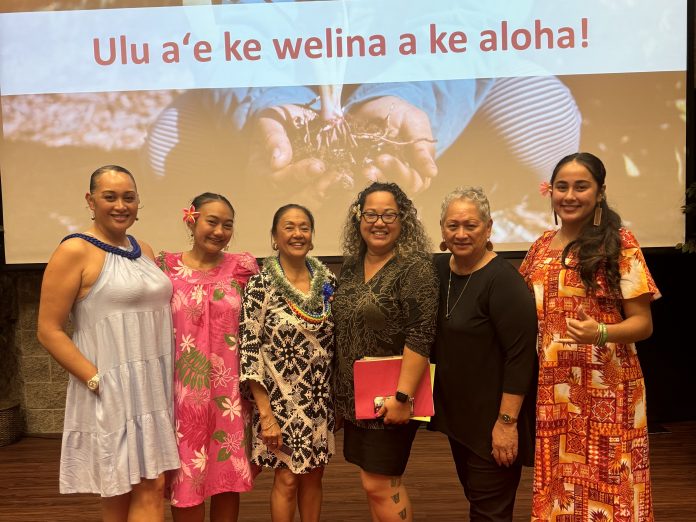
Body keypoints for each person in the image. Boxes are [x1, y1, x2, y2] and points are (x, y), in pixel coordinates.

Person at [520, 152, 659, 521]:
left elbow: (643, 324)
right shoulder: (539, 247)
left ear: (599, 193)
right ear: (550, 192)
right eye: (561, 187)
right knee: (561, 489)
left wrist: (599, 332)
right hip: (556, 392)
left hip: (610, 393)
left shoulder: (620, 244)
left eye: (581, 186)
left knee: (610, 490)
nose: (570, 195)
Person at [36, 165, 180, 521]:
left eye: (128, 197)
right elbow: (48, 329)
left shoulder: (141, 248)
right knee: (124, 487)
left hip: (152, 387)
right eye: (110, 197)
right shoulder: (74, 251)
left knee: (144, 485)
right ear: (90, 201)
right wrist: (96, 379)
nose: (120, 205)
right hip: (110, 386)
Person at [428, 186, 538, 521]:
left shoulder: (504, 282)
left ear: (488, 228)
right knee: (478, 499)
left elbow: (521, 360)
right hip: (460, 419)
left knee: (490, 512)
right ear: (442, 230)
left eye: (470, 225)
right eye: (452, 225)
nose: (461, 234)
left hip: (494, 421)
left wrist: (507, 424)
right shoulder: (439, 270)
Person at [332, 181, 438, 522]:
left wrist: (403, 397)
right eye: (371, 214)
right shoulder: (351, 266)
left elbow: (421, 335)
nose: (379, 222)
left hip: (391, 396)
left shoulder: (415, 268)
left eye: (389, 214)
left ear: (403, 219)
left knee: (382, 483)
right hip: (355, 398)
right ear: (358, 219)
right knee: (371, 481)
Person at [156, 193, 259, 521]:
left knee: (225, 476)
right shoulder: (165, 267)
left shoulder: (242, 268)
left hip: (229, 395)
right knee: (187, 476)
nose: (219, 231)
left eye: (227, 225)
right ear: (192, 220)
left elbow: (256, 329)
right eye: (211, 222)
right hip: (182, 395)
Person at [238, 204, 336, 522]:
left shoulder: (327, 283)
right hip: (278, 400)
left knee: (314, 475)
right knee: (288, 478)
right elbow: (250, 350)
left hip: (319, 397)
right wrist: (265, 414)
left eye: (304, 227)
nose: (297, 233)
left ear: (312, 235)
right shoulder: (260, 285)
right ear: (274, 237)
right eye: (289, 227)